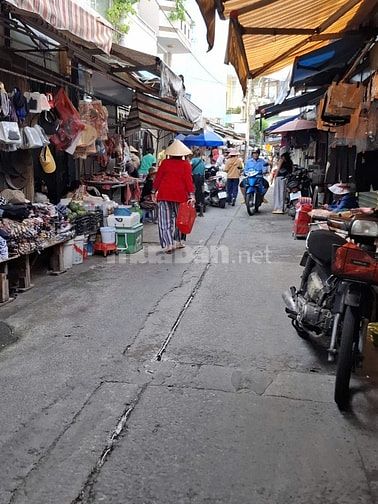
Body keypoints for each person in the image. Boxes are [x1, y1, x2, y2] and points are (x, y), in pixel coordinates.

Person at [152, 140, 195, 254]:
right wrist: (191, 195)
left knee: (164, 220)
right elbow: (188, 181)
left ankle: (168, 244)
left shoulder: (164, 163)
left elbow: (158, 179)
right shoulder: (186, 164)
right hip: (180, 196)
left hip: (164, 194)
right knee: (180, 219)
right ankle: (178, 241)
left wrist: (153, 191)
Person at [191, 149, 206, 216]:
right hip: (202, 177)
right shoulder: (202, 161)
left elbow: (189, 166)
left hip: (196, 177)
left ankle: (197, 205)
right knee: (201, 191)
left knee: (196, 191)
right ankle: (202, 205)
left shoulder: (193, 160)